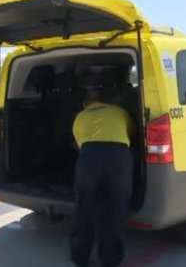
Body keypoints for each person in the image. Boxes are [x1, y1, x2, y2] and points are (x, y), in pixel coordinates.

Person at [70, 86, 135, 267]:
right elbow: (132, 133)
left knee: (84, 208)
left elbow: (79, 144)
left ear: (85, 103)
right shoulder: (120, 112)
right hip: (119, 157)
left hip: (90, 157)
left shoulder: (80, 117)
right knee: (115, 209)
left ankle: (80, 257)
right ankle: (111, 260)